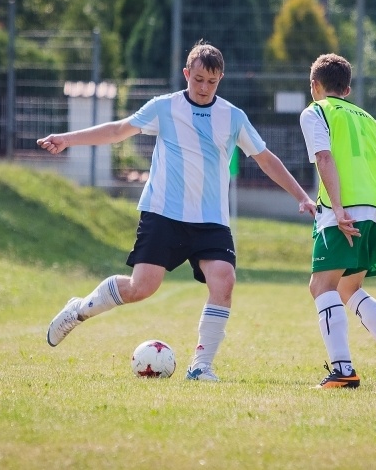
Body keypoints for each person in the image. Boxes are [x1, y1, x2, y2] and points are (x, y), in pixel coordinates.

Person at [38, 40, 316, 382]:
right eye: (197, 79)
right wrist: (67, 138)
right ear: (187, 73)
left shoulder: (233, 117)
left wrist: (301, 196)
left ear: (220, 79)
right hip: (163, 215)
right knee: (142, 288)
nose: (203, 88)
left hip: (211, 220)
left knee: (224, 280)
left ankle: (201, 367)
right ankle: (79, 309)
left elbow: (265, 159)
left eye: (211, 82)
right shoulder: (164, 107)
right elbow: (116, 131)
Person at [299, 53, 376, 389]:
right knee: (349, 288)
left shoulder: (316, 111)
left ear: (316, 86)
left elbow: (324, 157)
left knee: (321, 287)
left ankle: (342, 370)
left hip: (346, 211)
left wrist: (338, 208)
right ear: (348, 89)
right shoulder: (370, 121)